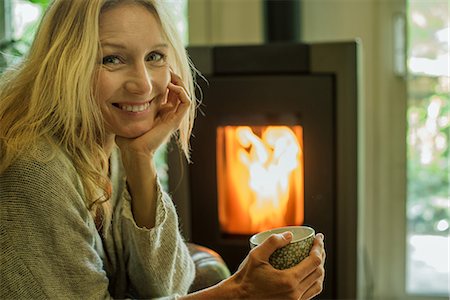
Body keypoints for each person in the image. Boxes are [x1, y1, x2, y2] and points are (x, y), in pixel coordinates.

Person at [0, 0, 326, 299]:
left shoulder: (110, 141)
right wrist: (240, 292)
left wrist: (140, 160)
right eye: (112, 58)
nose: (143, 84)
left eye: (154, 56)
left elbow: (166, 286)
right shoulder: (36, 171)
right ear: (65, 65)